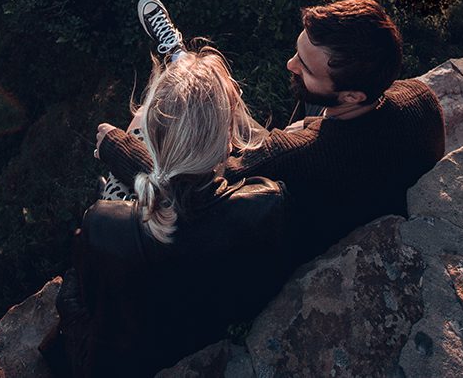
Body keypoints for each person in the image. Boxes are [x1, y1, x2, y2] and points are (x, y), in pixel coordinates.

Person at [98, 0, 445, 271]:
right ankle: (182, 62)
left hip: (288, 245)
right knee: (228, 111)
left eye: (305, 67)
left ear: (352, 96)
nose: (290, 64)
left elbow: (185, 188)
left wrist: (117, 146)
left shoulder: (292, 156)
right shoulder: (420, 100)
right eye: (299, 51)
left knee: (148, 119)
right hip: (359, 183)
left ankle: (181, 63)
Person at [54, 44, 288, 378]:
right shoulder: (265, 203)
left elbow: (86, 301)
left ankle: (121, 189)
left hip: (120, 360)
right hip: (206, 338)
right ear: (227, 142)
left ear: (150, 141)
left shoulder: (104, 223)